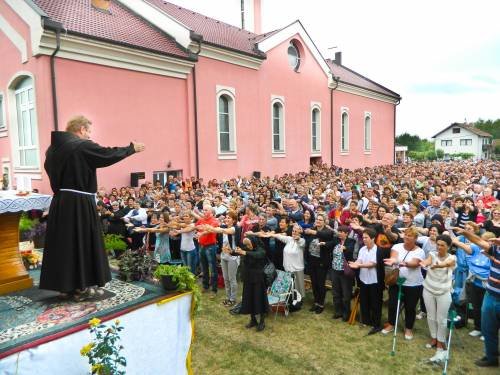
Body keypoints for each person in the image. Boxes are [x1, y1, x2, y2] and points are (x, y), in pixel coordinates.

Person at [40, 115, 144, 299]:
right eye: (88, 131)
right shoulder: (80, 146)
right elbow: (107, 154)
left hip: (60, 201)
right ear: (81, 129)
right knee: (81, 243)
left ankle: (66, 286)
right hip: (79, 203)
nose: (89, 136)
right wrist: (131, 149)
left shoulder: (52, 150)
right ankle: (81, 287)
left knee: (66, 245)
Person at [453, 228, 499, 368]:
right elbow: (479, 241)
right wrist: (465, 233)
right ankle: (491, 357)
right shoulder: (496, 250)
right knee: (487, 328)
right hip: (490, 295)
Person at [382, 227, 426, 340]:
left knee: (410, 307)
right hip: (397, 282)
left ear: (415, 238)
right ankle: (391, 324)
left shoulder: (420, 251)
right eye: (406, 234)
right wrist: (393, 260)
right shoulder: (397, 246)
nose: (407, 237)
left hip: (413, 284)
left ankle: (408, 328)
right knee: (392, 304)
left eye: (410, 235)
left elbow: (414, 263)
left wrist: (400, 262)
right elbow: (394, 257)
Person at [419, 234, 456, 363]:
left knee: (442, 319)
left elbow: (447, 263)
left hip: (444, 292)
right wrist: (423, 263)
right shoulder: (432, 254)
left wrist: (438, 266)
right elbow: (427, 261)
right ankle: (434, 338)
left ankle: (441, 342)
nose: (439, 247)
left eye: (442, 245)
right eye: (438, 244)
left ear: (448, 246)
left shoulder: (452, 257)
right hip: (428, 288)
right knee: (430, 316)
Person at [348, 228, 385, 335]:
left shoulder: (378, 250)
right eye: (363, 237)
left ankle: (376, 324)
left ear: (373, 238)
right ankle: (366, 320)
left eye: (366, 237)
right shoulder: (362, 249)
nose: (364, 239)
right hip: (363, 280)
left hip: (375, 281)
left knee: (376, 303)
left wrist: (358, 265)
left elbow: (372, 264)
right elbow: (360, 259)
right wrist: (356, 263)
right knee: (364, 301)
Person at [303, 213, 335, 314]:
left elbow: (326, 236)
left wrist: (313, 232)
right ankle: (316, 302)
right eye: (317, 219)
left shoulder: (328, 231)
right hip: (312, 261)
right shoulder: (313, 229)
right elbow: (307, 240)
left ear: (324, 221)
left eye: (320, 220)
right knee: (314, 283)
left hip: (322, 262)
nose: (318, 221)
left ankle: (321, 304)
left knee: (320, 284)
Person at [236, 236, 269, 331]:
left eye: (249, 244)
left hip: (258, 279)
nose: (247, 246)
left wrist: (245, 252)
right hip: (248, 278)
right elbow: (238, 252)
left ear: (253, 242)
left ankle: (262, 321)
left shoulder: (260, 249)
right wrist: (230, 251)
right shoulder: (246, 248)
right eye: (246, 245)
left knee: (259, 300)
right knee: (249, 299)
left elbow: (258, 255)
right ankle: (253, 320)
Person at [329, 225, 356, 321]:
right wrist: (324, 243)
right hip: (335, 270)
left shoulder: (351, 241)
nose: (339, 233)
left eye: (342, 232)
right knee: (336, 293)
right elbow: (330, 243)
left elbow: (350, 250)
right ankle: (338, 312)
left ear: (347, 233)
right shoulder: (336, 240)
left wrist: (345, 248)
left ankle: (346, 313)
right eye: (339, 231)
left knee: (346, 294)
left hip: (345, 272)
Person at [195, 204, 220, 297]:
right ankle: (205, 286)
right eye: (203, 210)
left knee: (213, 268)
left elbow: (210, 230)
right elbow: (196, 227)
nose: (204, 212)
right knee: (204, 267)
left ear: (211, 211)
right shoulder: (201, 220)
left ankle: (214, 289)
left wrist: (201, 232)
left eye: (206, 210)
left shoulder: (214, 221)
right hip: (201, 245)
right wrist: (198, 231)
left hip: (210, 246)